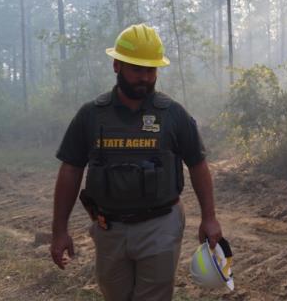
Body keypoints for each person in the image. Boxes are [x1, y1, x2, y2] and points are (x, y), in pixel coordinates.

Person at [50, 24, 223, 301]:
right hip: (108, 229)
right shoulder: (91, 116)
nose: (144, 77)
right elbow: (71, 169)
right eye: (137, 69)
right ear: (116, 65)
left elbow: (198, 165)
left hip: (160, 226)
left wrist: (210, 218)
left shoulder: (174, 115)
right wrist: (59, 231)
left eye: (151, 70)